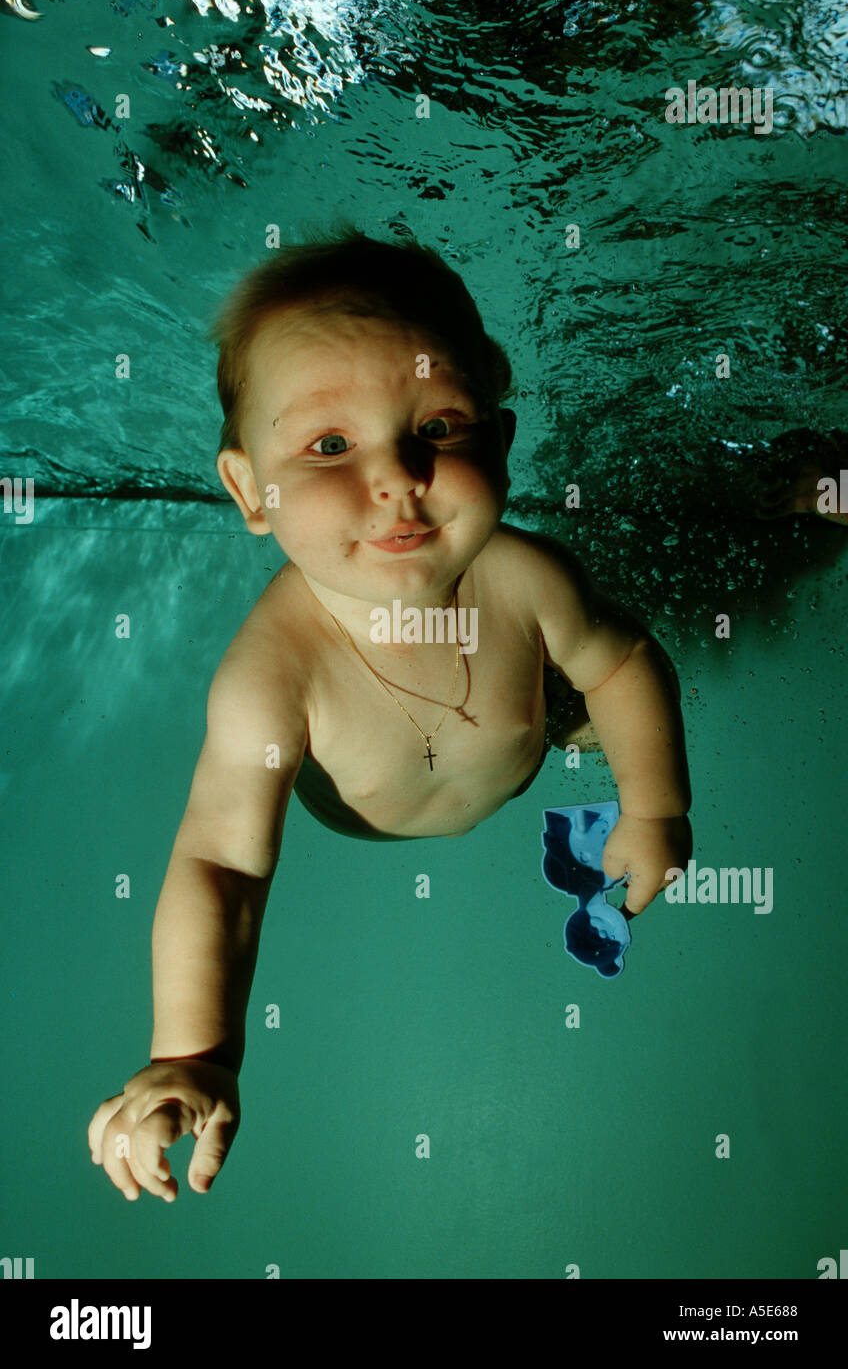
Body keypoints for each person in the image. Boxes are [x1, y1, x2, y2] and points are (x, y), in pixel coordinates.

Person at [88, 227, 692, 1202]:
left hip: (538, 722)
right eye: (329, 445)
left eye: (440, 428)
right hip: (395, 790)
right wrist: (193, 1051)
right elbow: (222, 862)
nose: (398, 475)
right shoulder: (272, 678)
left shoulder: (528, 579)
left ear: (497, 441)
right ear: (249, 489)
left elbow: (622, 662)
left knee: (617, 666)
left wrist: (653, 804)